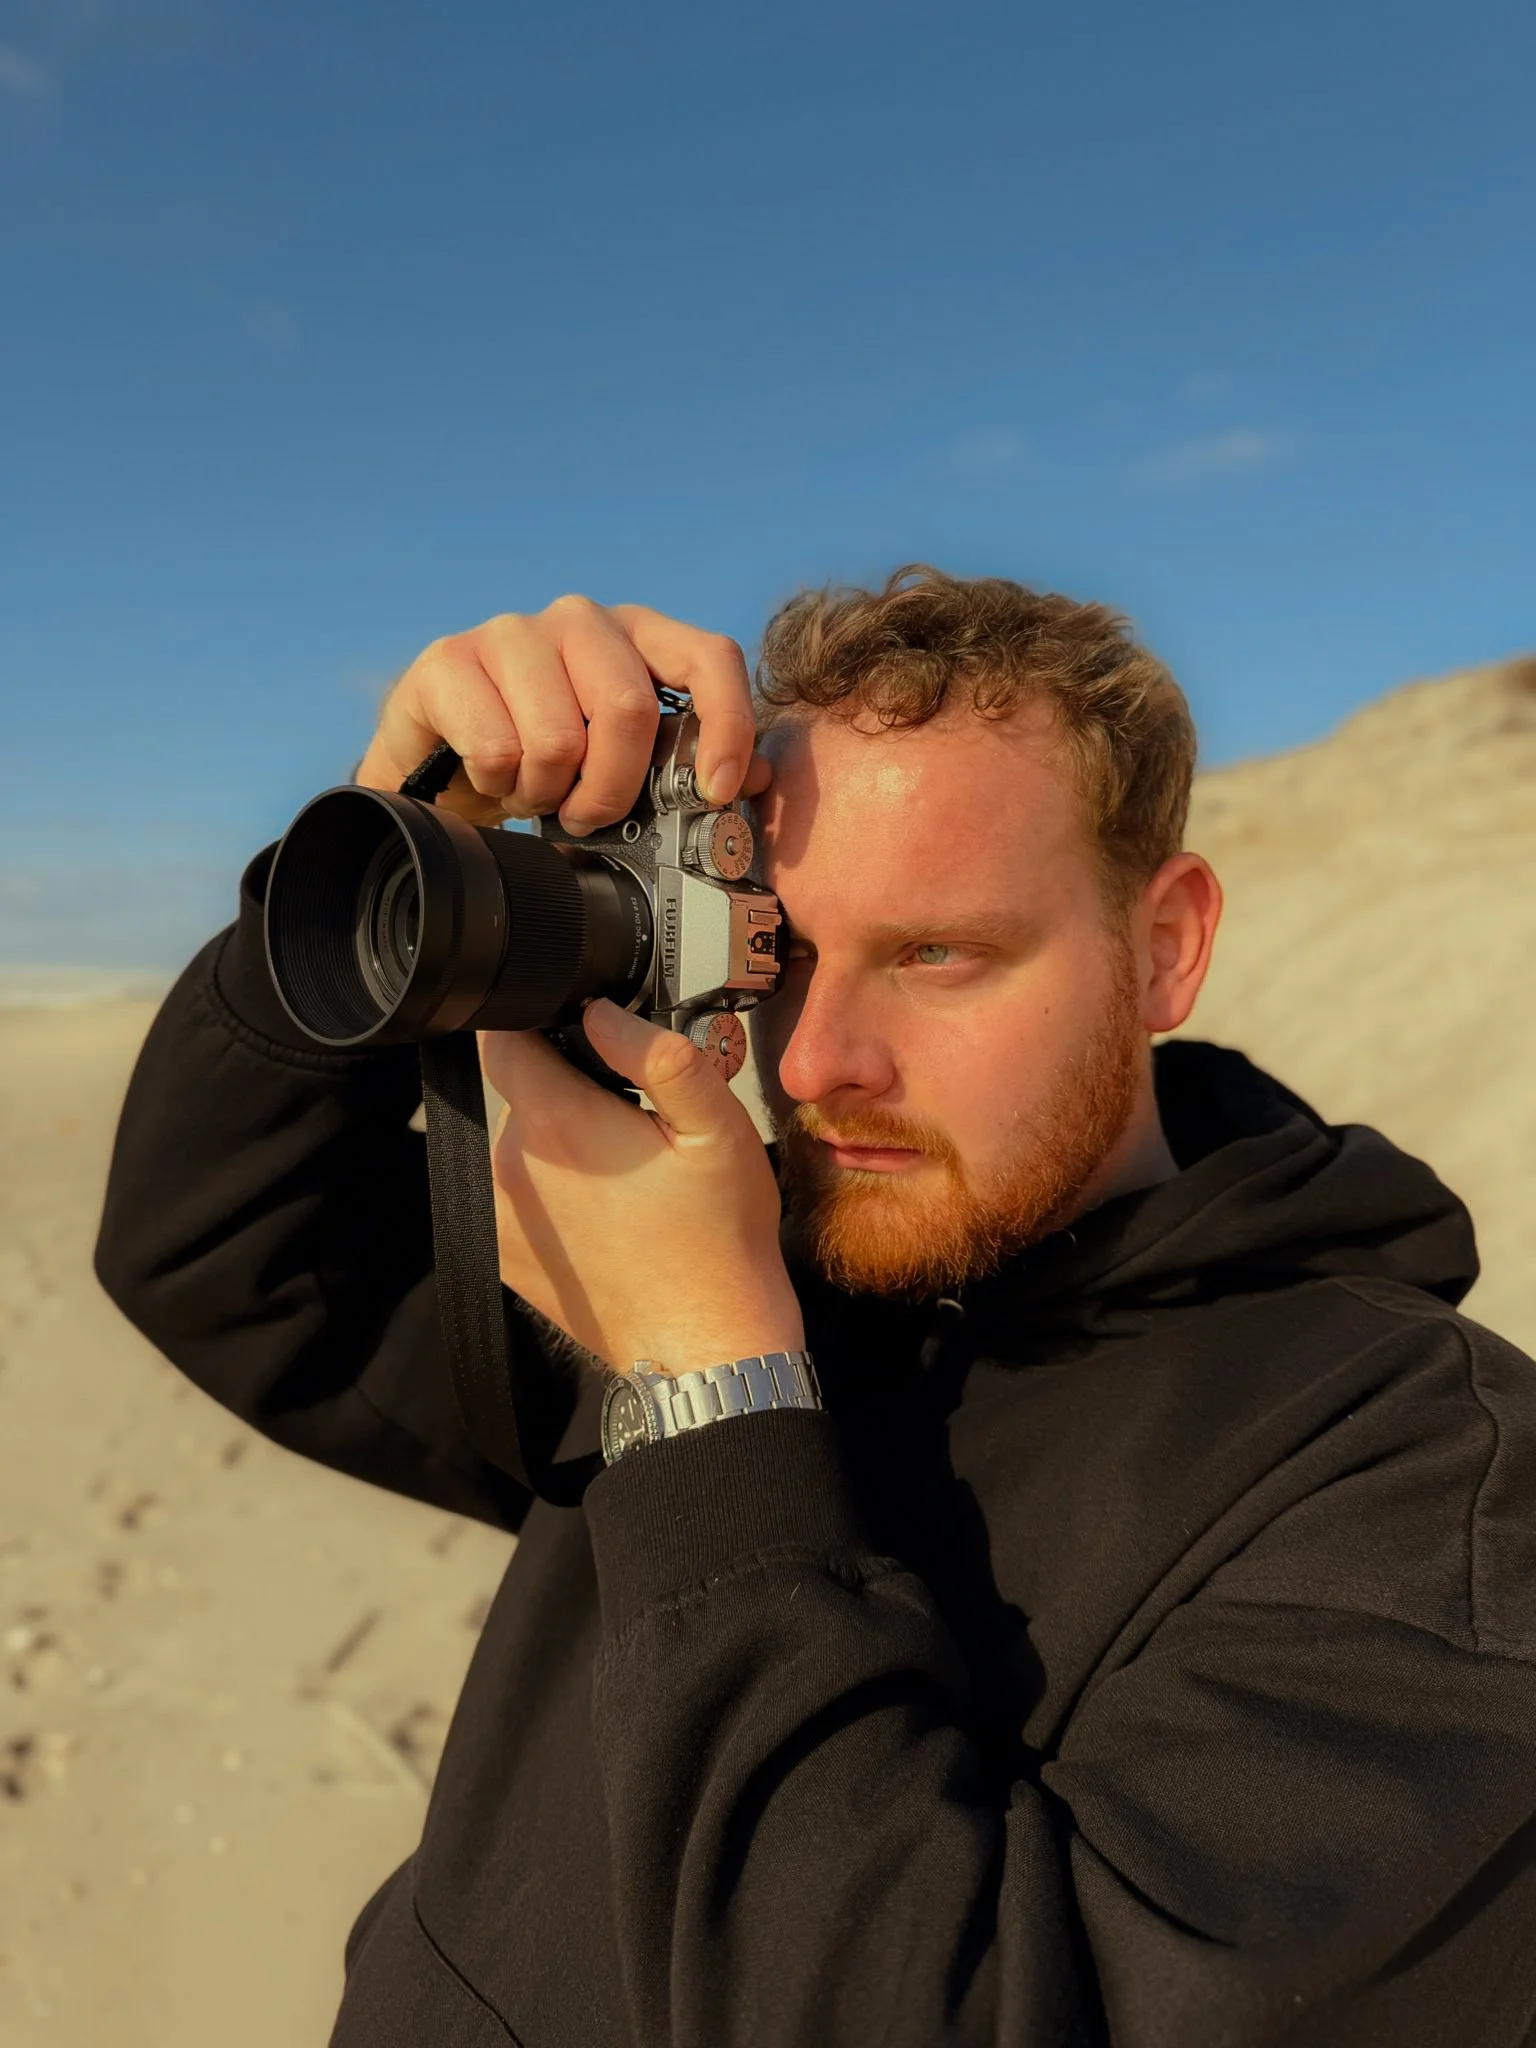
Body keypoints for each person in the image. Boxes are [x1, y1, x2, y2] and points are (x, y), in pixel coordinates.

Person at [96, 567, 1536, 2048]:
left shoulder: (1427, 1483)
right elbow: (227, 1257)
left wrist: (710, 1390)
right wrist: (405, 832)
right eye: (772, 952)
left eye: (937, 956)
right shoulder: (764, 1253)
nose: (810, 1066)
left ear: (1165, 944)